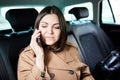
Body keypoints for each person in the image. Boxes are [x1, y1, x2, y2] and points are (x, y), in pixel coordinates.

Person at [17, 5, 94, 80]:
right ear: (37, 29)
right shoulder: (26, 56)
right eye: (44, 26)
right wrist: (40, 57)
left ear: (62, 30)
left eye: (56, 27)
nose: (50, 31)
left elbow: (84, 74)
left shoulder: (71, 48)